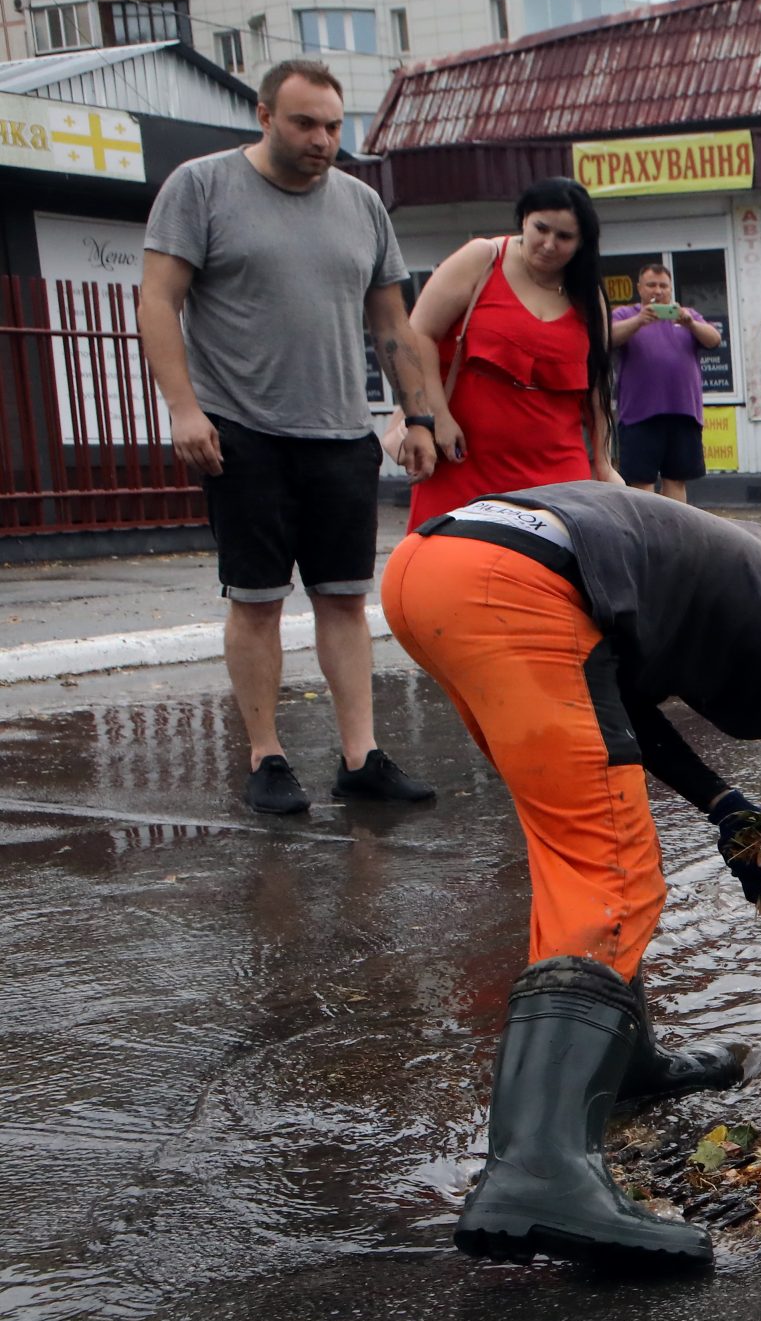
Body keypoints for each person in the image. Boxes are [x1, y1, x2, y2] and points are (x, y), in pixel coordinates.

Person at [380, 481, 761, 1266]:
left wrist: (724, 805)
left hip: (433, 566)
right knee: (613, 872)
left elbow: (617, 701)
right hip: (519, 584)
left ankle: (629, 1058)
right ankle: (537, 1173)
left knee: (574, 846)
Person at [137, 57, 448, 817]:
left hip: (340, 433)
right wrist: (183, 408)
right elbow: (158, 299)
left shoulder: (361, 204)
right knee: (257, 599)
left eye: (335, 127)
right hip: (243, 431)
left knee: (344, 598)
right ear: (265, 114)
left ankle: (360, 756)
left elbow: (391, 324)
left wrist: (417, 417)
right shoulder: (201, 187)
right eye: (306, 123)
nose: (322, 140)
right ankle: (266, 756)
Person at [404, 178, 619, 531]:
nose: (549, 244)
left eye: (564, 237)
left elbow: (597, 386)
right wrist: (436, 417)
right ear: (523, 219)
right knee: (452, 572)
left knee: (550, 579)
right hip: (465, 462)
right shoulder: (482, 258)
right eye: (541, 228)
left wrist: (604, 464)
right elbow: (419, 334)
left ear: (582, 243)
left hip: (558, 473)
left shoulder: (587, 295)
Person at [609, 263, 722, 504]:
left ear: (671, 289)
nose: (657, 291)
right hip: (639, 414)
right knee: (641, 481)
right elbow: (608, 337)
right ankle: (648, 537)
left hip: (683, 412)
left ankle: (675, 536)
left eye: (663, 286)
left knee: (676, 479)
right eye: (651, 285)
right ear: (640, 288)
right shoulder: (625, 315)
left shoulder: (687, 315)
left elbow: (714, 339)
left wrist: (690, 322)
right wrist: (640, 320)